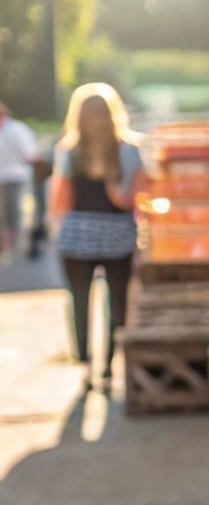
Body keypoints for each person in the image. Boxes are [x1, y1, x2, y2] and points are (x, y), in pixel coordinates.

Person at [49, 84, 149, 387]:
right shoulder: (128, 149)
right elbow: (135, 198)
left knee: (79, 301)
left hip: (77, 236)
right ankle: (108, 366)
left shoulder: (69, 151)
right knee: (117, 302)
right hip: (118, 235)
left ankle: (84, 364)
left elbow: (60, 200)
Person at [0, 99, 38, 259]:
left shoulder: (16, 129)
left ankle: (14, 242)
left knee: (13, 210)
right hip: (5, 176)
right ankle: (7, 240)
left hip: (15, 175)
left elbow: (29, 153)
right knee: (5, 211)